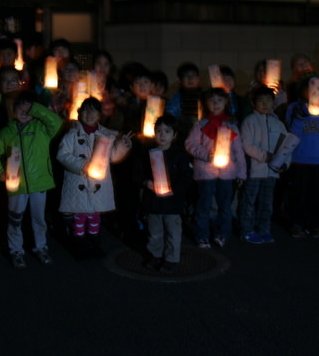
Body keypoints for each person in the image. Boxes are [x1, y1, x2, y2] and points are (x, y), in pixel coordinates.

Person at [0, 92, 63, 268]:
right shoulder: (6, 132)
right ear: (12, 110)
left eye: (28, 107)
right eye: (20, 107)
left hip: (39, 183)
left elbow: (57, 121)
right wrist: (1, 173)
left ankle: (41, 247)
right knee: (15, 219)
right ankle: (16, 250)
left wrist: (35, 109)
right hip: (16, 184)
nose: (24, 111)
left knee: (39, 218)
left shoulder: (42, 128)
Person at [56, 97, 132, 259]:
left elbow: (112, 157)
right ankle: (80, 246)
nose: (89, 114)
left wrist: (122, 146)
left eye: (94, 111)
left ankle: (94, 244)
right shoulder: (72, 134)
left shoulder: (106, 135)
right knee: (79, 216)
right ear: (79, 112)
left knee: (94, 215)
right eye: (85, 110)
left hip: (97, 184)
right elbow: (62, 155)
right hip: (78, 182)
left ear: (100, 115)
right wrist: (83, 165)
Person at [185, 87, 246, 249]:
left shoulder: (232, 125)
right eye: (212, 100)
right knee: (203, 205)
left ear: (226, 102)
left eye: (219, 100)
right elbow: (190, 144)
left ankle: (222, 234)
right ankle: (202, 235)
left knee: (225, 206)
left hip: (227, 173)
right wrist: (206, 155)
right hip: (205, 172)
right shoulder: (201, 124)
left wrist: (241, 172)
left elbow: (238, 150)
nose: (215, 103)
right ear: (206, 103)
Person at [284, 73, 319, 239]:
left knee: (316, 195)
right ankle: (297, 223)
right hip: (299, 159)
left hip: (318, 160)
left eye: (318, 90)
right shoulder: (294, 108)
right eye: (311, 89)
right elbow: (291, 133)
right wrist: (299, 118)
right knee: (299, 193)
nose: (315, 92)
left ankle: (315, 224)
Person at [138, 114, 191, 273]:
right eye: (159, 131)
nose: (162, 135)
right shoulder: (148, 152)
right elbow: (138, 171)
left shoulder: (180, 155)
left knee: (173, 232)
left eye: (167, 131)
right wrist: (146, 182)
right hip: (154, 202)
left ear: (174, 135)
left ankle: (171, 258)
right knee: (155, 231)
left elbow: (186, 177)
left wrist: (174, 190)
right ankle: (155, 255)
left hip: (173, 203)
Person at [239, 86, 291, 244]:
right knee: (249, 200)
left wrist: (284, 164)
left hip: (272, 171)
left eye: (268, 100)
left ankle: (264, 229)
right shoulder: (249, 121)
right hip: (254, 170)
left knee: (267, 202)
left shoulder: (278, 123)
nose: (265, 104)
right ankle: (246, 230)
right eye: (261, 101)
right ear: (253, 103)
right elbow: (246, 144)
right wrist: (265, 156)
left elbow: (286, 146)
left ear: (274, 102)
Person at [165, 62, 202, 140]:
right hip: (182, 133)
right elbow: (170, 114)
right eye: (186, 76)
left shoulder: (205, 96)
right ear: (179, 80)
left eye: (193, 76)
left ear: (198, 79)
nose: (190, 79)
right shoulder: (177, 98)